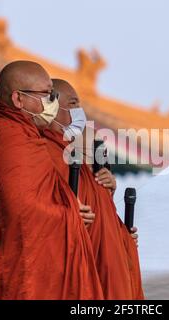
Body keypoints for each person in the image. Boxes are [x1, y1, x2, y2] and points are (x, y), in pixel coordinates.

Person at [0, 61, 103, 300]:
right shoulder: (6, 136)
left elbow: (47, 195)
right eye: (47, 94)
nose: (52, 102)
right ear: (19, 100)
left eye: (54, 94)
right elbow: (19, 207)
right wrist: (70, 213)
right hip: (12, 275)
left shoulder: (30, 139)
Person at [40, 78, 144, 299]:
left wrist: (122, 234)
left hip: (107, 270)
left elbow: (98, 217)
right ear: (53, 106)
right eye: (74, 104)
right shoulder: (44, 151)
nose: (80, 112)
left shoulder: (92, 172)